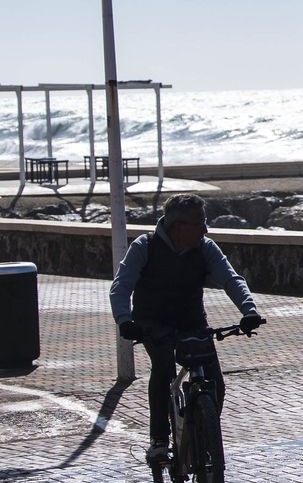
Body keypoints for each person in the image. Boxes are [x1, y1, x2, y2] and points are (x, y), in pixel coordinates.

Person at [109, 193, 266, 466]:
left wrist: (249, 311)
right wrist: (125, 321)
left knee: (215, 382)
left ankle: (204, 437)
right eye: (199, 223)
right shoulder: (145, 246)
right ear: (178, 226)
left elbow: (231, 279)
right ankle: (159, 442)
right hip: (153, 323)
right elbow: (121, 286)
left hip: (192, 321)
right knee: (163, 369)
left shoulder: (205, 248)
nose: (205, 229)